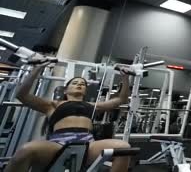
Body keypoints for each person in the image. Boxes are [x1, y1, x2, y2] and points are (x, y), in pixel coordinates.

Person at [5, 62, 133, 172]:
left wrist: (125, 77)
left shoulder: (93, 106)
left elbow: (121, 99)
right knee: (25, 150)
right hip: (58, 143)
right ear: (65, 90)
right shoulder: (52, 105)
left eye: (82, 84)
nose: (79, 84)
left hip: (88, 143)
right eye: (75, 83)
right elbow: (22, 95)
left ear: (85, 91)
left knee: (123, 148)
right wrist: (38, 68)